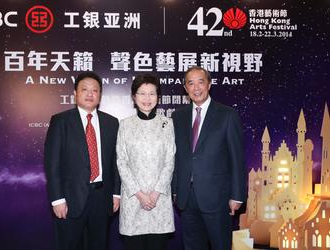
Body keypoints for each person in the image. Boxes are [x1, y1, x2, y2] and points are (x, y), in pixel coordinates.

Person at [171, 66, 247, 250]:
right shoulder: (177, 117)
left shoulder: (227, 115)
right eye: (191, 83)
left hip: (218, 198)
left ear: (209, 84)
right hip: (186, 198)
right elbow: (176, 157)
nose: (196, 88)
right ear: (185, 87)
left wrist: (237, 195)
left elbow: (237, 159)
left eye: (201, 82)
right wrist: (175, 190)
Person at [44, 72, 120, 250]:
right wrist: (57, 199)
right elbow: (52, 163)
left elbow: (116, 162)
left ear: (100, 95)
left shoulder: (111, 123)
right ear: (75, 94)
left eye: (95, 90)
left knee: (99, 245)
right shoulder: (60, 121)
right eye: (84, 89)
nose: (90, 94)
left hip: (102, 198)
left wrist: (116, 193)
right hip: (70, 199)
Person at [116, 74, 176, 250]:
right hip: (133, 199)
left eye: (152, 93)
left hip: (160, 200)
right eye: (142, 93)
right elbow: (122, 161)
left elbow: (169, 161)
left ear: (158, 97)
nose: (147, 99)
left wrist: (156, 193)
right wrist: (140, 195)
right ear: (134, 97)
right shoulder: (125, 125)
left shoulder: (168, 123)